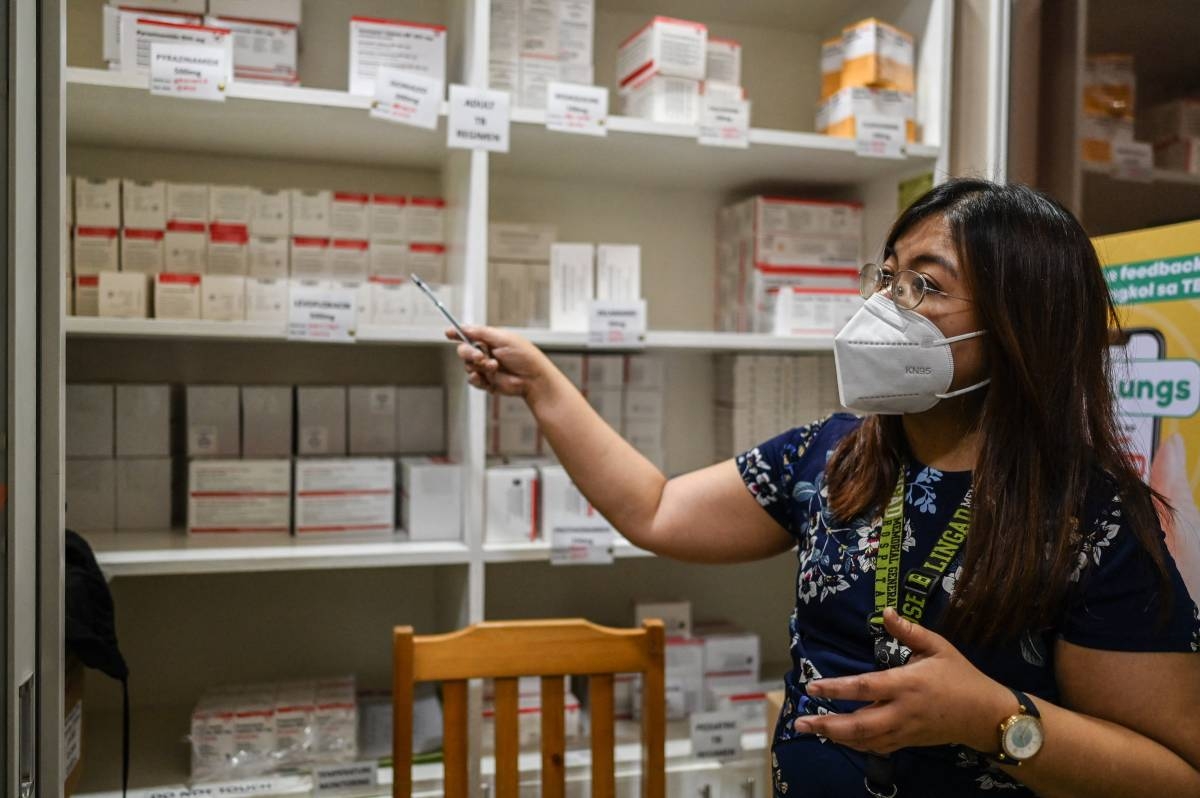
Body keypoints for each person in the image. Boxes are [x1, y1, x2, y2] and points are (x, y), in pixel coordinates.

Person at [450, 179, 1200, 796]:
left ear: (1019, 329)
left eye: (925, 285)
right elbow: (656, 510)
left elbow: (1172, 776)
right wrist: (543, 386)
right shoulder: (834, 455)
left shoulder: (1091, 521)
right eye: (887, 275)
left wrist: (994, 719)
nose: (884, 305)